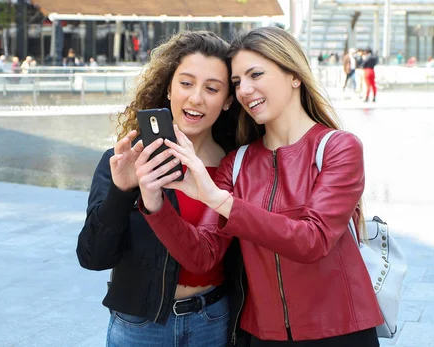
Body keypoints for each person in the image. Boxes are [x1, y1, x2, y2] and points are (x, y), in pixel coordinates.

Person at [137, 26, 383, 347]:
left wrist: (221, 200)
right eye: (237, 83)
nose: (245, 90)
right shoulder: (237, 163)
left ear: (294, 75)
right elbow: (202, 256)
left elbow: (312, 240)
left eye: (256, 74)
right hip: (261, 336)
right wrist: (154, 202)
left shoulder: (338, 147)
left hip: (338, 332)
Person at [76, 30, 242, 346]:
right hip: (140, 327)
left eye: (212, 88)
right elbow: (92, 256)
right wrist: (121, 191)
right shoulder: (125, 161)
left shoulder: (237, 164)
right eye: (186, 83)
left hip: (212, 321)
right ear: (168, 88)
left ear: (227, 100)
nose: (196, 98)